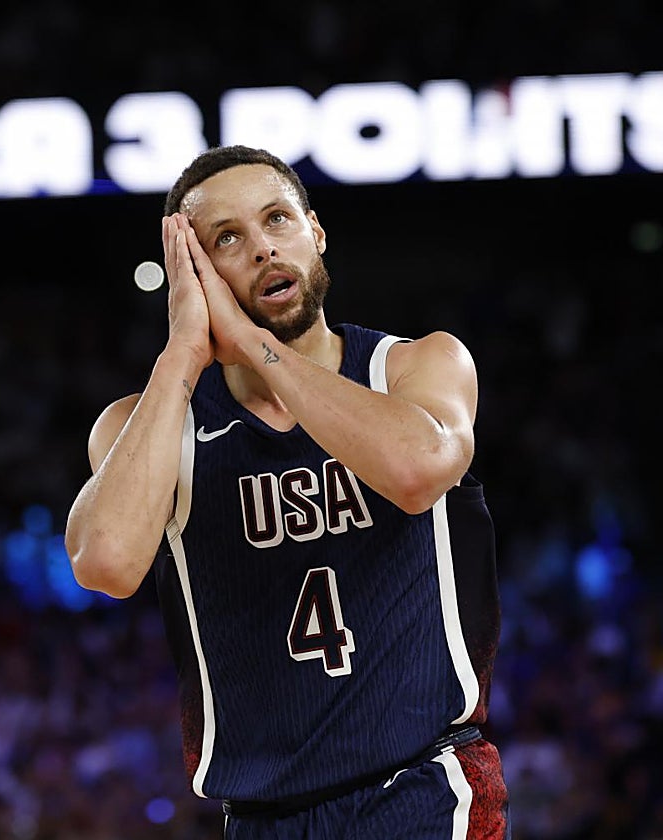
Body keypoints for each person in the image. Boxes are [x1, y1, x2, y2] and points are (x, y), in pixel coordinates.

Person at [64, 145, 510, 837]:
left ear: (316, 232)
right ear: (196, 274)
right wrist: (184, 354)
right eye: (228, 239)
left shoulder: (415, 365)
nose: (264, 249)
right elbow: (107, 564)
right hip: (262, 816)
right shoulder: (147, 424)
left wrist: (253, 348)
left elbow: (418, 472)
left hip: (422, 785)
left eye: (277, 220)